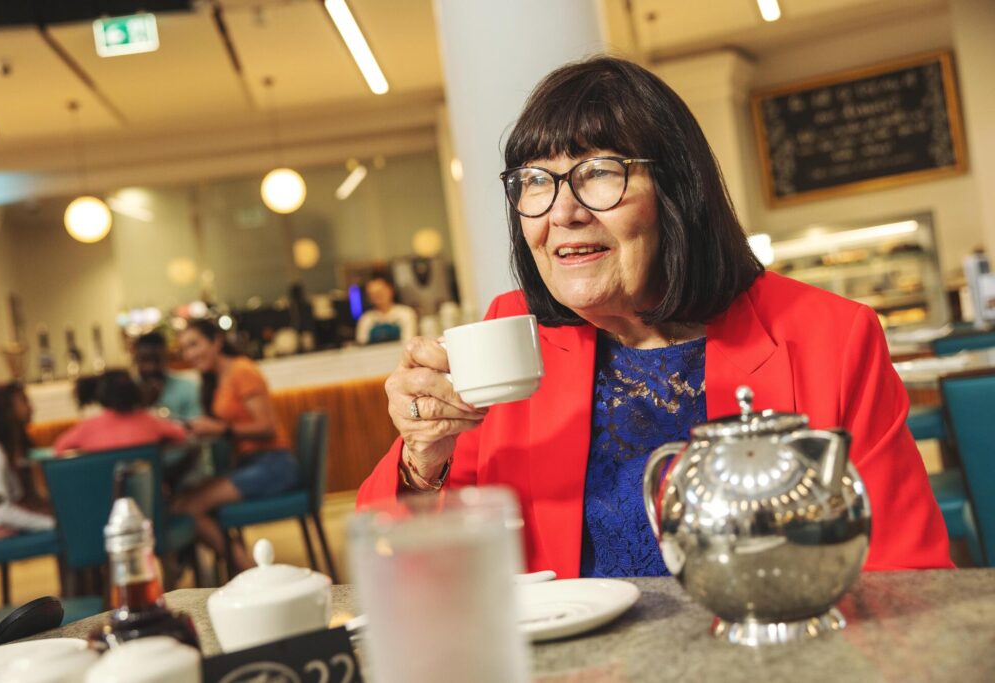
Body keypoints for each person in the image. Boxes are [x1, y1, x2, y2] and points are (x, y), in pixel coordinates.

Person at [358, 56, 952, 578]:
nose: (563, 211)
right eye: (535, 181)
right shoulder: (508, 336)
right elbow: (402, 564)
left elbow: (907, 575)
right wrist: (423, 460)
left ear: (677, 191)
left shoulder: (830, 336)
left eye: (598, 173)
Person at [172, 319, 298, 570]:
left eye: (194, 344)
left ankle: (250, 572)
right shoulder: (216, 379)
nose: (189, 354)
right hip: (249, 464)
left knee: (189, 508)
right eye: (184, 349)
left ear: (217, 341)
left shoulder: (241, 370)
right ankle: (236, 568)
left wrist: (220, 429)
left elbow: (267, 427)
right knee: (181, 502)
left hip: (274, 464)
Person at [0, 383, 54, 536]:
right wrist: (50, 523)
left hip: (2, 521)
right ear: (6, 410)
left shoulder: (12, 449)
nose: (31, 408)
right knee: (65, 526)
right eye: (24, 401)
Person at [53, 370, 187, 454]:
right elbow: (181, 435)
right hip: (146, 495)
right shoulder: (150, 421)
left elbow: (59, 447)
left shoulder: (87, 428)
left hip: (100, 495)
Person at [134, 332, 202, 422]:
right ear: (136, 360)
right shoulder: (127, 391)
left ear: (166, 358)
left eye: (156, 360)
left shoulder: (187, 387)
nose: (151, 367)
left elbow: (196, 427)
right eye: (144, 360)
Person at [355, 275, 418, 344]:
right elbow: (362, 344)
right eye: (373, 294)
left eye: (380, 292)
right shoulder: (366, 318)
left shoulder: (406, 313)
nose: (377, 297)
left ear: (390, 290)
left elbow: (409, 341)